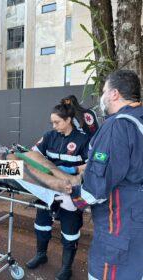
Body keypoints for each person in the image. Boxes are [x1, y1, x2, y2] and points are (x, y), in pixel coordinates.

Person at [57, 70, 143, 280]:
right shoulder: (138, 120)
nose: (102, 96)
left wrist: (75, 200)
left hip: (119, 227)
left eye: (104, 91)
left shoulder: (118, 125)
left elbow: (99, 182)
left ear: (114, 94)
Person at [25, 102, 90, 280]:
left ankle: (66, 267)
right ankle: (41, 254)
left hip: (70, 190)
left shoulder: (83, 139)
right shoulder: (49, 136)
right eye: (52, 123)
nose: (54, 126)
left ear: (68, 119)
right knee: (41, 224)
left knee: (70, 231)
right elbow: (32, 154)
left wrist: (73, 170)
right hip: (47, 188)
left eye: (57, 122)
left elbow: (92, 164)